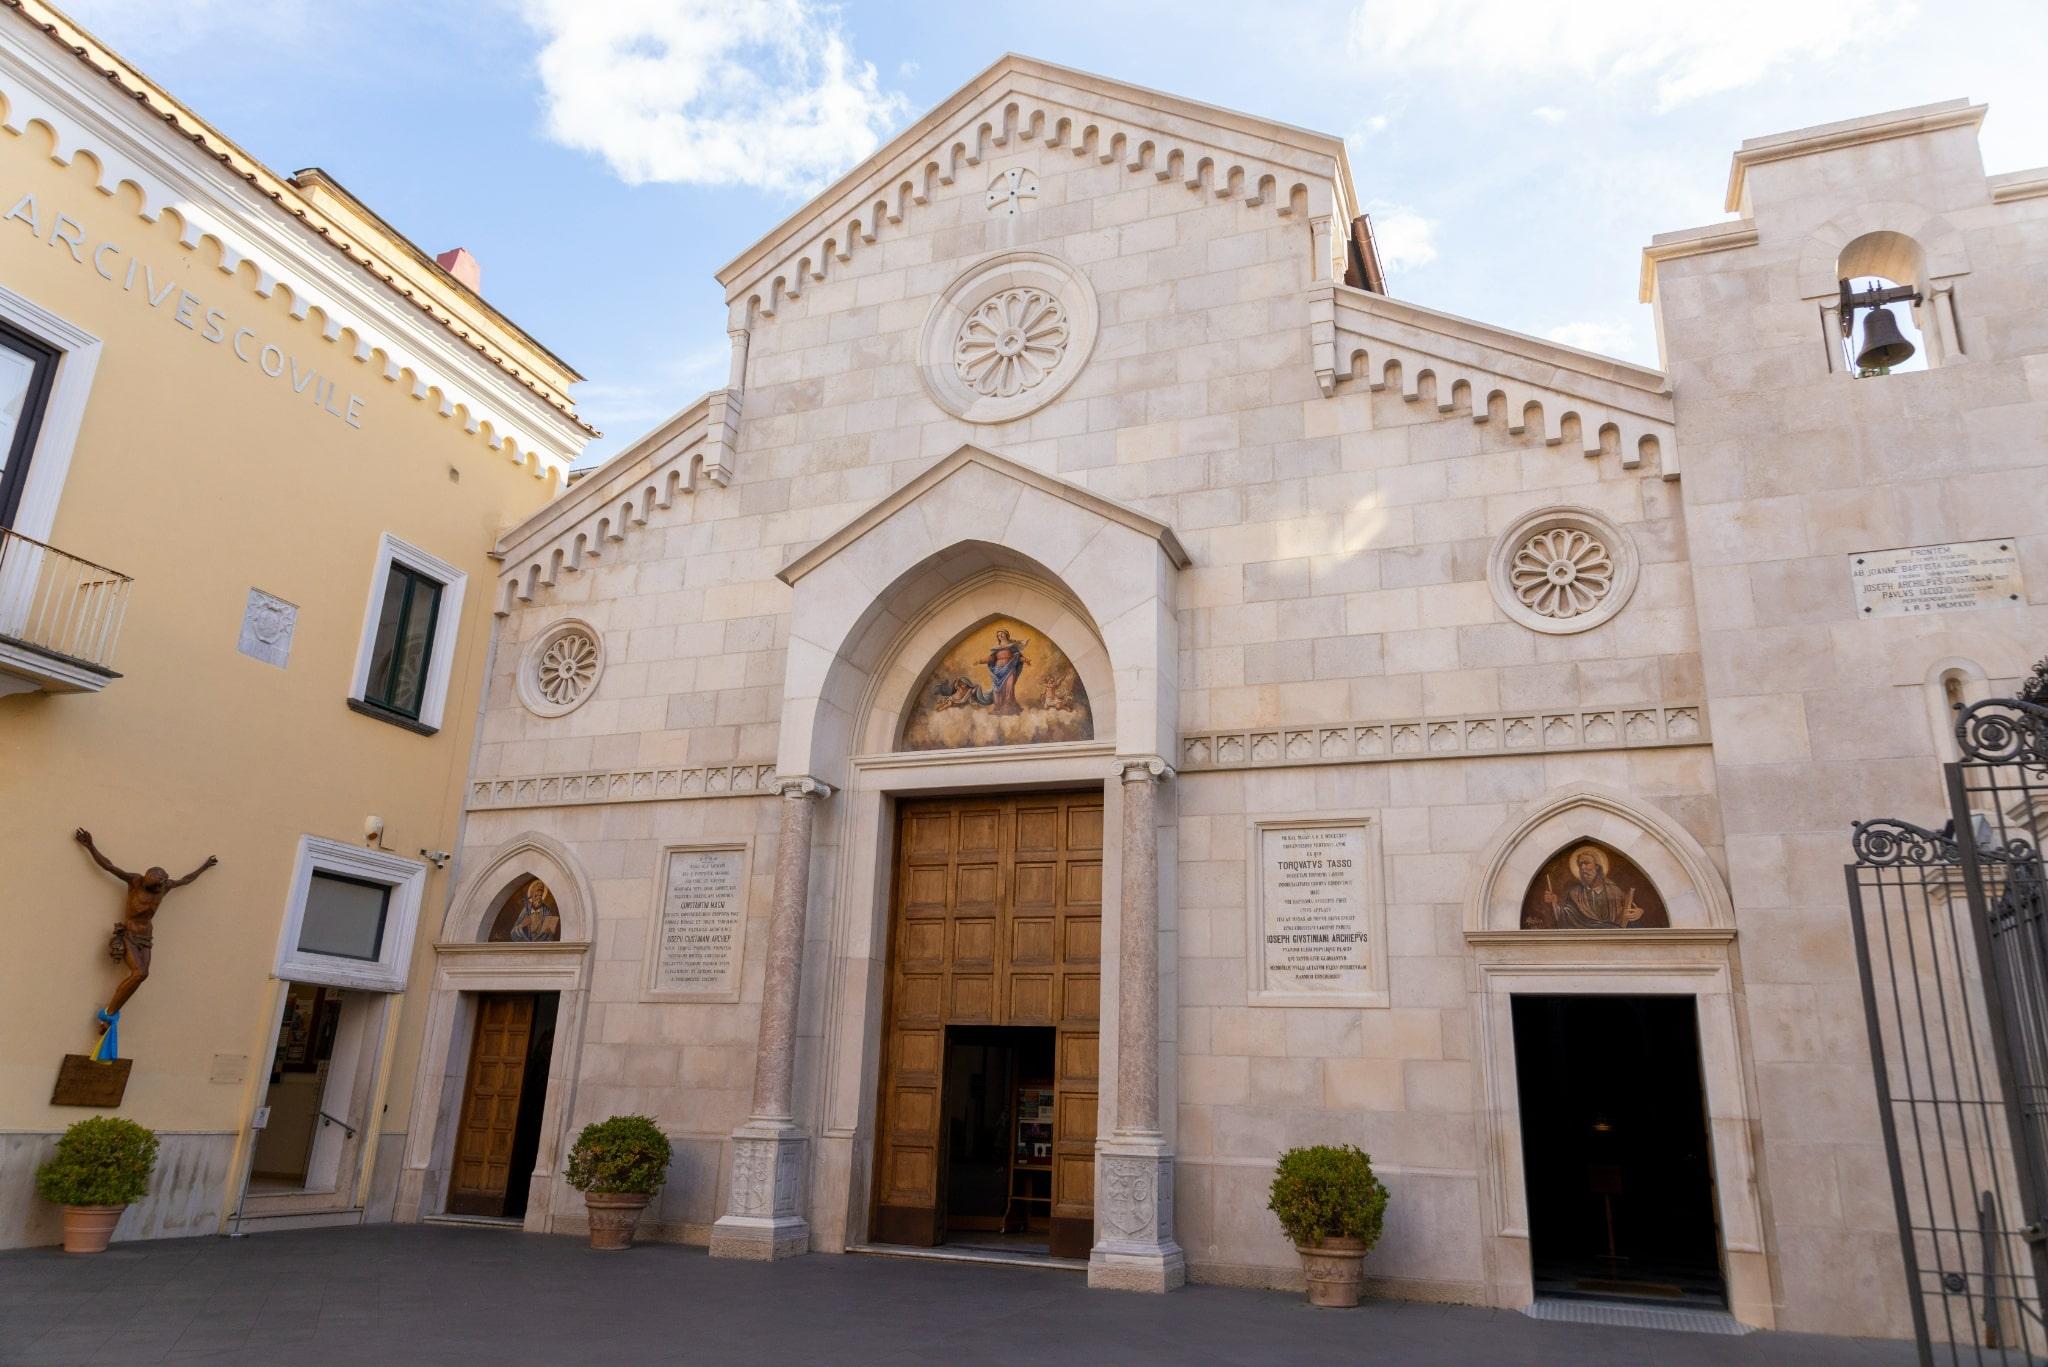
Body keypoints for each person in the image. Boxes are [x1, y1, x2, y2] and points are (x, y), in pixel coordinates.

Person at [75, 828, 217, 1031]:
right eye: (153, 886)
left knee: (143, 975)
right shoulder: (135, 881)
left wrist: (204, 867)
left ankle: (110, 1015)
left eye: (159, 886)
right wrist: (90, 846)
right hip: (130, 935)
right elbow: (109, 866)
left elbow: (186, 879)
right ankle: (109, 1014)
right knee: (139, 973)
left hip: (146, 938)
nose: (157, 889)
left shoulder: (165, 886)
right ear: (146, 880)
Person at [1542, 846, 1642, 929]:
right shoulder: (1574, 893)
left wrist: (1639, 913)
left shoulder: (1615, 891)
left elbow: (1628, 912)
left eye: (1586, 863)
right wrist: (1554, 904)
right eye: (1580, 864)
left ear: (1597, 866)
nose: (1582, 868)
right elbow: (1567, 918)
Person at [980, 628, 1030, 717]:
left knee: (1009, 687)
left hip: (1010, 669)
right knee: (997, 690)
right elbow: (991, 658)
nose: (1000, 636)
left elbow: (1018, 657)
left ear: (1007, 635)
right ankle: (997, 708)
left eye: (1002, 634)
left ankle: (1007, 707)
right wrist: (980, 661)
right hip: (998, 671)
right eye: (999, 635)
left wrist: (1026, 660)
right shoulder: (996, 648)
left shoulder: (1012, 647)